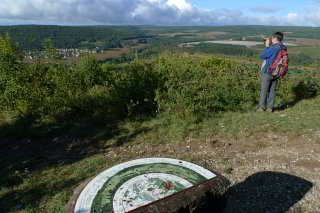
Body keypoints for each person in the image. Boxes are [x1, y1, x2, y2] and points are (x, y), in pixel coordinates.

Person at [257, 32, 286, 112]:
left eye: (272, 38)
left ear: (275, 38)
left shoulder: (274, 48)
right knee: (272, 90)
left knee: (264, 90)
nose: (271, 39)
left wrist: (266, 45)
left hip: (268, 71)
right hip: (277, 72)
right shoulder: (283, 47)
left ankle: (261, 108)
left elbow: (262, 55)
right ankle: (270, 107)